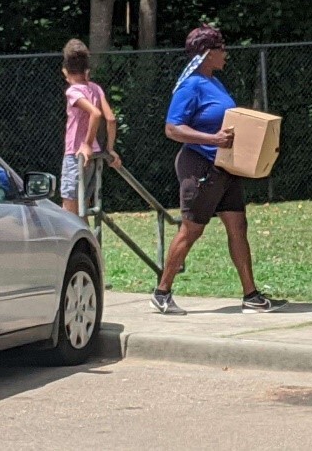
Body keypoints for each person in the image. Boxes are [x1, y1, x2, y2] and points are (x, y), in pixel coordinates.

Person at [151, 24, 287, 315]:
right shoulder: (191, 85)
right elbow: (172, 128)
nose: (226, 53)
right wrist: (212, 139)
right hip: (200, 167)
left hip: (226, 167)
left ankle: (251, 295)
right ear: (207, 53)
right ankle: (162, 292)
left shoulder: (214, 81)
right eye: (221, 48)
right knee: (192, 230)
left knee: (238, 226)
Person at [60, 39, 121, 218]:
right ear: (87, 69)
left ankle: (79, 246)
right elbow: (111, 118)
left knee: (69, 214)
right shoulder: (95, 88)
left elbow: (96, 113)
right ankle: (89, 246)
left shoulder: (73, 91)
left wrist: (86, 144)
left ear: (65, 69)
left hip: (76, 155)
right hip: (93, 158)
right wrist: (110, 149)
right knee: (82, 211)